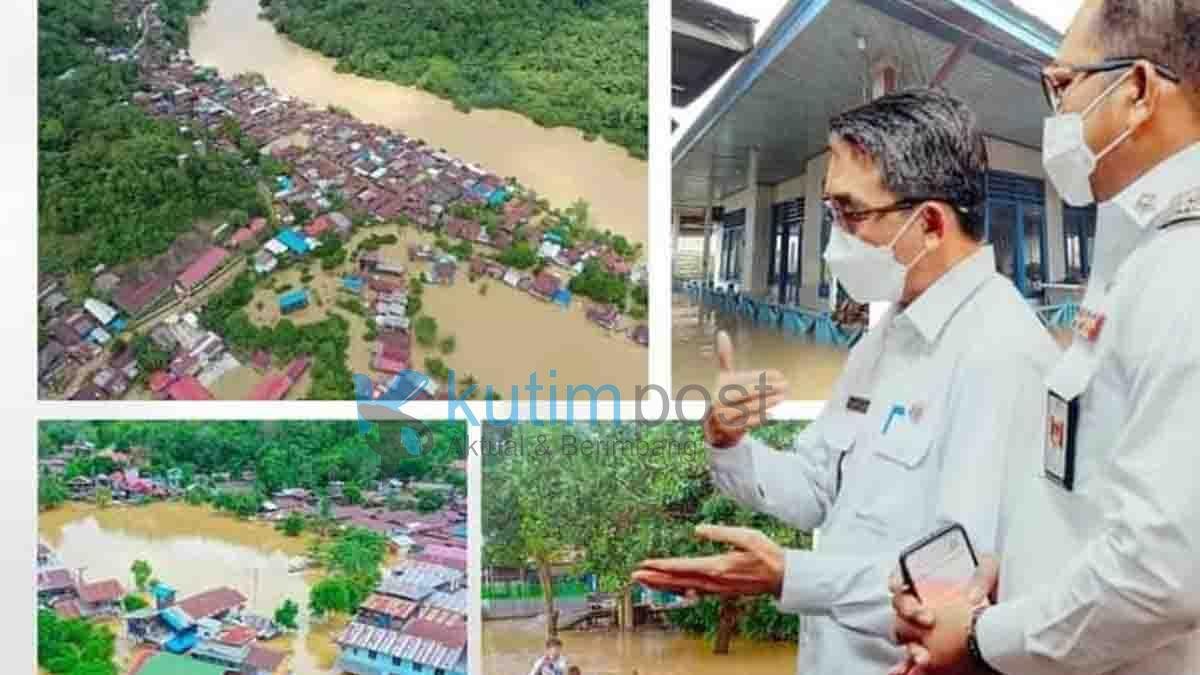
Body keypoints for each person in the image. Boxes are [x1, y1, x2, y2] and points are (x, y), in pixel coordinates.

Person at [632, 87, 1059, 675]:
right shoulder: (886, 338)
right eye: (830, 210)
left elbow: (955, 584)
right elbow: (817, 487)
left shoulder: (1002, 352)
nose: (833, 238)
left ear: (930, 223)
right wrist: (728, 440)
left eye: (849, 213)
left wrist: (788, 576)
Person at [890, 2, 1200, 673]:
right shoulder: (1135, 253)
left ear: (1137, 91)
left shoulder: (1184, 270)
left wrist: (982, 638)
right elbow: (1094, 492)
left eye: (1061, 85)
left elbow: (1162, 571)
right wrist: (1014, 573)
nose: (1055, 113)